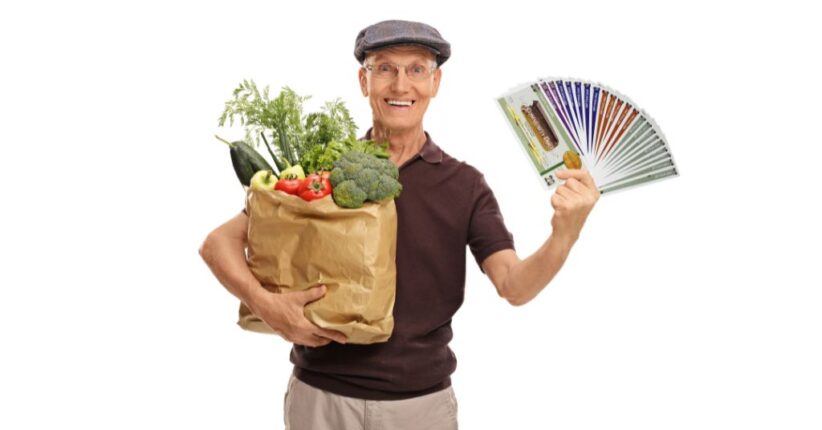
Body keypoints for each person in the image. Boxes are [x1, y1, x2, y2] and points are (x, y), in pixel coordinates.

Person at [199, 19, 600, 430]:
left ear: (435, 82)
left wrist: (564, 234)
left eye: (416, 69)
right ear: (363, 80)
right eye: (385, 68)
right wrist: (267, 306)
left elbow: (514, 286)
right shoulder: (323, 168)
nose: (400, 85)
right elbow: (217, 244)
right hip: (320, 400)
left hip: (421, 407)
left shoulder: (464, 185)